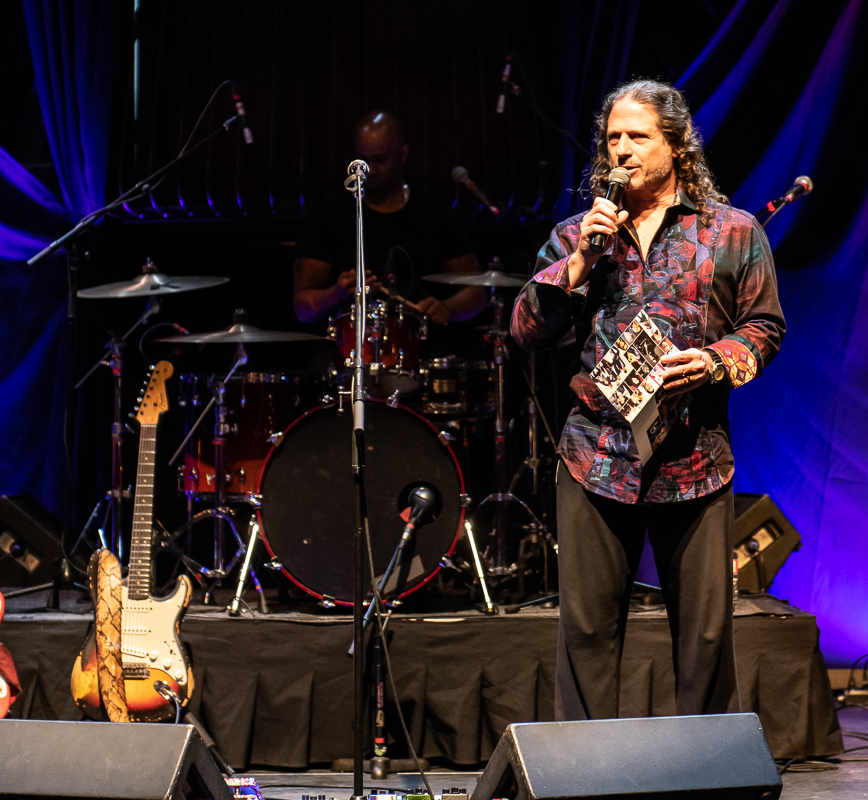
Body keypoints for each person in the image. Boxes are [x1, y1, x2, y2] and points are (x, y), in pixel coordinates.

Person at [510, 80, 785, 720]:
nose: (623, 152)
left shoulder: (733, 232)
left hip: (694, 458)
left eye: (639, 137)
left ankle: (710, 780)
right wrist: (580, 261)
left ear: (677, 145)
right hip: (594, 457)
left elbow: (765, 327)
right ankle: (584, 782)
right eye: (613, 139)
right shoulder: (578, 233)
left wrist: (717, 361)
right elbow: (525, 328)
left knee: (706, 641)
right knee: (586, 637)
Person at [293, 111, 486, 330]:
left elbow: (477, 292)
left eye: (380, 160)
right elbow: (302, 309)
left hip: (421, 349)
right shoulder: (327, 218)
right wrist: (336, 294)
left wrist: (446, 307)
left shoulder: (435, 216)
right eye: (363, 160)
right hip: (348, 350)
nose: (370, 170)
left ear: (402, 155)